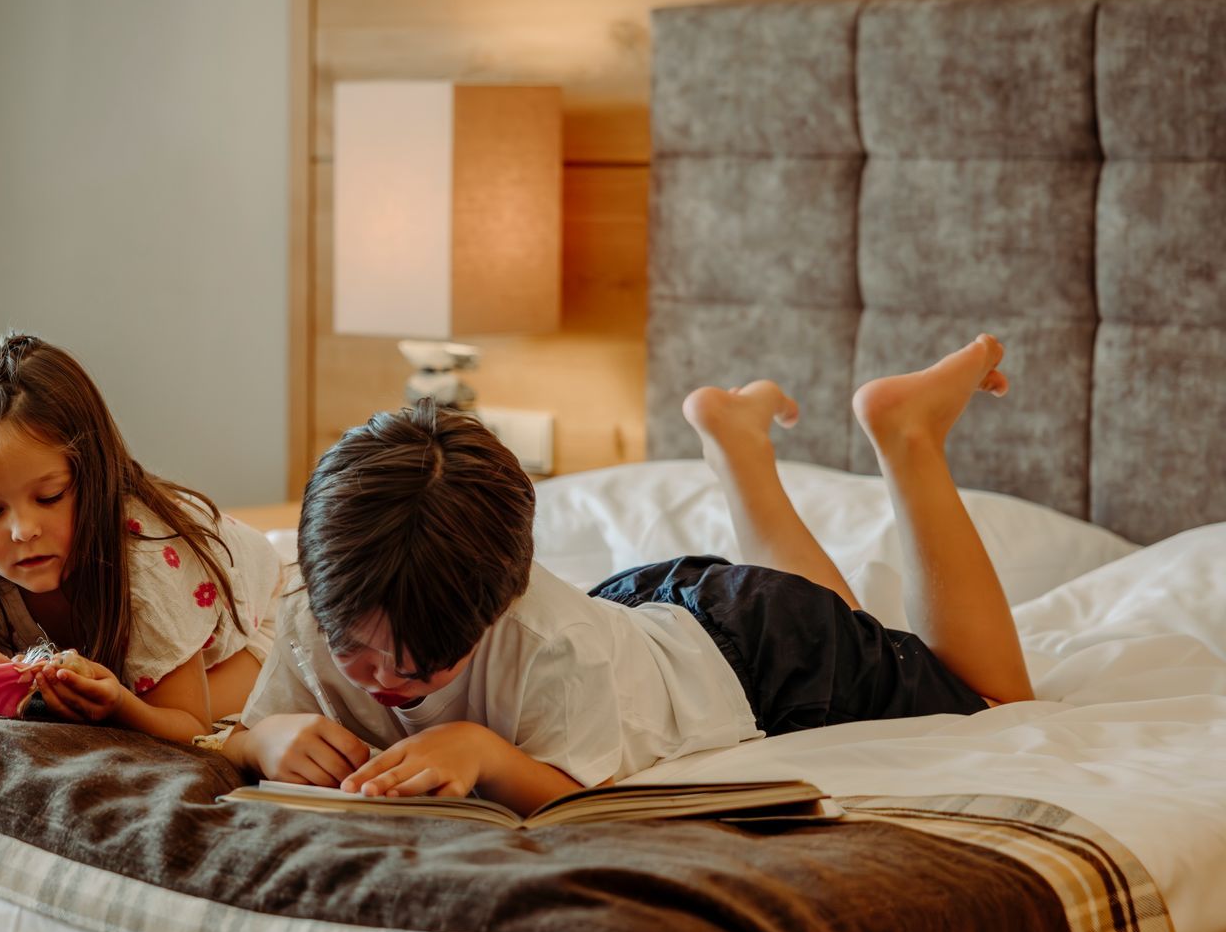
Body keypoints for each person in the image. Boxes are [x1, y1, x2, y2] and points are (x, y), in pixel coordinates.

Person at [226, 335, 1035, 817]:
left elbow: (587, 806)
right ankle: (738, 445)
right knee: (840, 619)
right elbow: (236, 730)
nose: (383, 680)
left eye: (424, 664)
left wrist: (484, 751)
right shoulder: (320, 606)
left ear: (496, 605)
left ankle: (909, 434)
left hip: (759, 658)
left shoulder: (551, 645)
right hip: (644, 614)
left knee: (992, 701)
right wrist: (267, 737)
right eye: (353, 651)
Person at [0, 332, 282, 744]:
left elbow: (190, 725)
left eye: (49, 497)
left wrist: (120, 704)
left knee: (192, 715)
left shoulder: (147, 565)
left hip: (261, 611)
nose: (22, 530)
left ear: (94, 479)